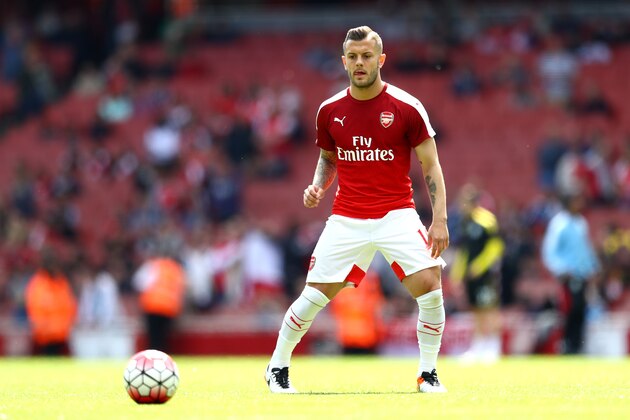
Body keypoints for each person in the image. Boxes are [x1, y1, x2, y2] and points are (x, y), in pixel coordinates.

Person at [265, 26, 450, 394]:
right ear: (344, 61)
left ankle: (427, 373)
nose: (360, 63)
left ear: (381, 60)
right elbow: (327, 158)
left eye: (367, 56)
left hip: (397, 213)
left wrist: (439, 219)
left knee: (430, 288)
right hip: (347, 216)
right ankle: (277, 367)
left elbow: (431, 165)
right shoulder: (330, 110)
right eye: (353, 57)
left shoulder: (406, 107)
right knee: (313, 298)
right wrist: (319, 184)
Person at [449, 184, 505, 363]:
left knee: (489, 309)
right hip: (471, 277)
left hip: (486, 275)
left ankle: (493, 348)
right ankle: (479, 347)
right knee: (476, 311)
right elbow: (464, 252)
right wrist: (456, 276)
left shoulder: (487, 220)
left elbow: (496, 247)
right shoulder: (465, 222)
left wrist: (479, 267)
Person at [541, 193, 600, 354]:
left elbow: (586, 250)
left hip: (583, 275)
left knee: (581, 309)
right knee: (569, 309)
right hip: (568, 276)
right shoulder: (559, 224)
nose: (580, 203)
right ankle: (566, 344)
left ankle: (578, 345)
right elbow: (549, 251)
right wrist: (561, 269)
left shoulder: (581, 222)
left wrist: (594, 267)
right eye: (576, 200)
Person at [24, 249, 77, 355]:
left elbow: (70, 306)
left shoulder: (62, 282)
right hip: (44, 339)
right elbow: (35, 311)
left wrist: (66, 326)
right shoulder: (38, 284)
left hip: (62, 336)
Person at [133, 250, 186, 353]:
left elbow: (139, 283)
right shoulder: (176, 268)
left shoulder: (152, 266)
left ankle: (152, 359)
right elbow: (182, 289)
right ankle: (163, 359)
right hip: (169, 308)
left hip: (152, 306)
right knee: (164, 337)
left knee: (153, 337)